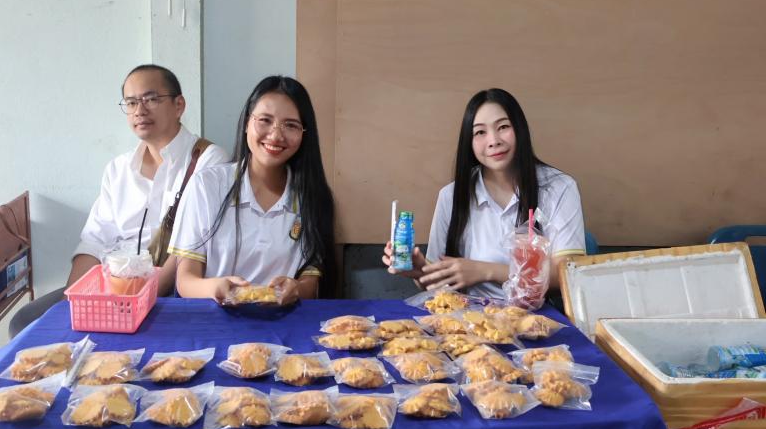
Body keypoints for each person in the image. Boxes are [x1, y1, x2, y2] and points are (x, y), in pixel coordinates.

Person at [9, 64, 229, 337]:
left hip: (170, 292)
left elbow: (192, 247)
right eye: (131, 102)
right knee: (24, 323)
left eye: (151, 99)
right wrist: (73, 305)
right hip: (113, 287)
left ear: (178, 105)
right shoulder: (118, 168)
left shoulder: (209, 160)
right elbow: (94, 241)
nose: (139, 110)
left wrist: (134, 303)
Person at [382, 88, 585, 301]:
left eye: (503, 127)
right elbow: (439, 287)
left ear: (520, 129)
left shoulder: (559, 187)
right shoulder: (451, 196)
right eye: (480, 132)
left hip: (537, 315)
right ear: (469, 142)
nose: (493, 140)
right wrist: (420, 272)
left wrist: (485, 271)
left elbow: (568, 273)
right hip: (469, 317)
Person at [168, 76, 337, 304]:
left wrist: (296, 288)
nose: (276, 135)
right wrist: (216, 288)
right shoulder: (206, 185)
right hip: (217, 316)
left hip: (284, 318)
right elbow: (186, 280)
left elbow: (311, 281)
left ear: (304, 134)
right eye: (265, 120)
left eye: (291, 125)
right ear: (247, 123)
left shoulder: (312, 195)